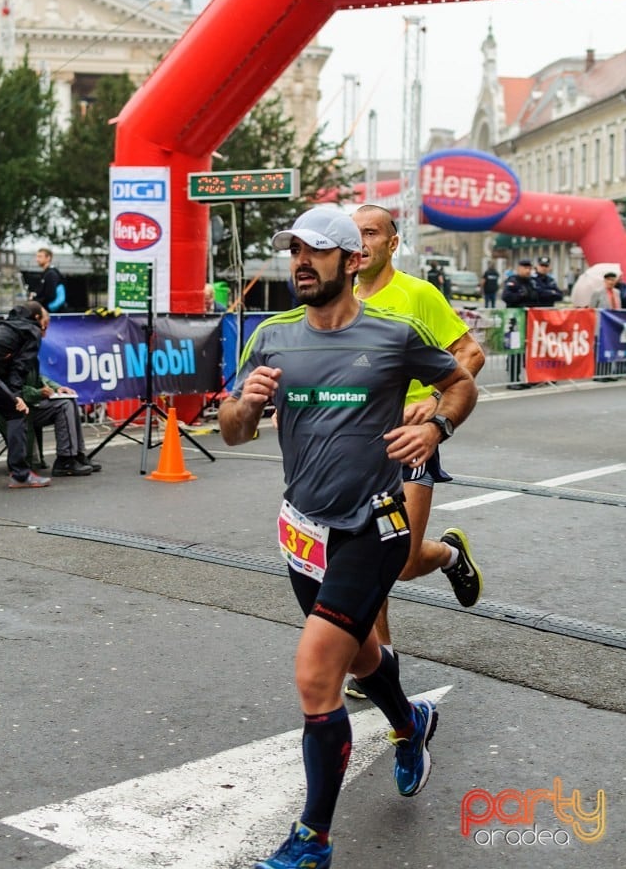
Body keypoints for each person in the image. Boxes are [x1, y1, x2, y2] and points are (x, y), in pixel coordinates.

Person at [218, 207, 478, 869]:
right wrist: (245, 408)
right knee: (361, 657)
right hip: (303, 533)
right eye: (295, 250)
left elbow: (460, 381)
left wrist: (436, 428)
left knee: (315, 673)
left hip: (375, 525)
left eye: (319, 251)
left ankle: (313, 840)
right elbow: (230, 429)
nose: (302, 261)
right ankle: (410, 722)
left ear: (352, 261)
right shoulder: (273, 339)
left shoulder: (395, 333)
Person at [343, 205, 485, 700]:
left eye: (371, 233)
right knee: (368, 555)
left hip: (410, 439)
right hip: (360, 442)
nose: (361, 243)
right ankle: (380, 664)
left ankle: (449, 555)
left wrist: (433, 398)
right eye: (354, 234)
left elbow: (470, 353)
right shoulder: (344, 300)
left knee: (401, 560)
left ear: (392, 243)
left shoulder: (417, 294)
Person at [22, 309, 101, 477]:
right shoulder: (20, 346)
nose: (45, 332)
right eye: (44, 327)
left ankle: (76, 454)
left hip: (28, 401)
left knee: (69, 400)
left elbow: (36, 376)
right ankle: (65, 459)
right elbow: (15, 387)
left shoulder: (27, 344)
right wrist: (39, 393)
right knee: (63, 405)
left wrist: (57, 388)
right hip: (19, 405)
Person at [0, 301, 51, 487]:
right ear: (37, 318)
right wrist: (16, 397)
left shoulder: (4, 326)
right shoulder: (31, 330)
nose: (47, 324)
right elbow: (20, 367)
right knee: (15, 412)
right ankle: (20, 475)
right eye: (46, 318)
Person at [501, 258, 539, 388]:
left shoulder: (532, 282)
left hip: (528, 321)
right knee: (515, 350)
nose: (528, 270)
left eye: (529, 268)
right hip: (515, 321)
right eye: (525, 268)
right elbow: (506, 297)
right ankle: (513, 379)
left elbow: (537, 298)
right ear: (519, 268)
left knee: (526, 351)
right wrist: (521, 295)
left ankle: (523, 378)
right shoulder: (513, 281)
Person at [29, 247, 67, 312]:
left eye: (40, 256)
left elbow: (51, 296)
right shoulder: (46, 273)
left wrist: (35, 300)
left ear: (48, 258)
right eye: (37, 257)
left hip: (51, 314)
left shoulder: (51, 273)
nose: (37, 259)